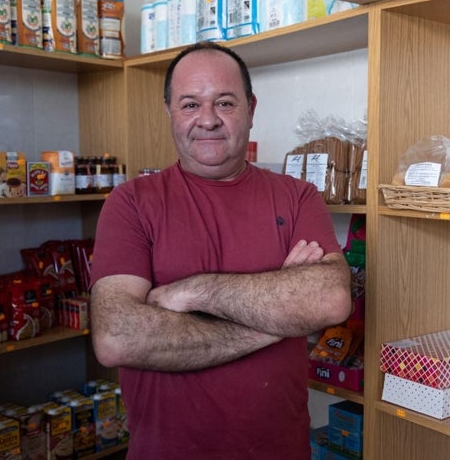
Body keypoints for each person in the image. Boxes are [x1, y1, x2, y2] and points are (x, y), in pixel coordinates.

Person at [89, 41, 352, 459]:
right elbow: (118, 337)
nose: (207, 120)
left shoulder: (298, 197)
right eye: (190, 104)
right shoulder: (131, 203)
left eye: (225, 103)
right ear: (169, 111)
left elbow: (330, 299)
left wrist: (191, 292)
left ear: (250, 107)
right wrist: (281, 318)